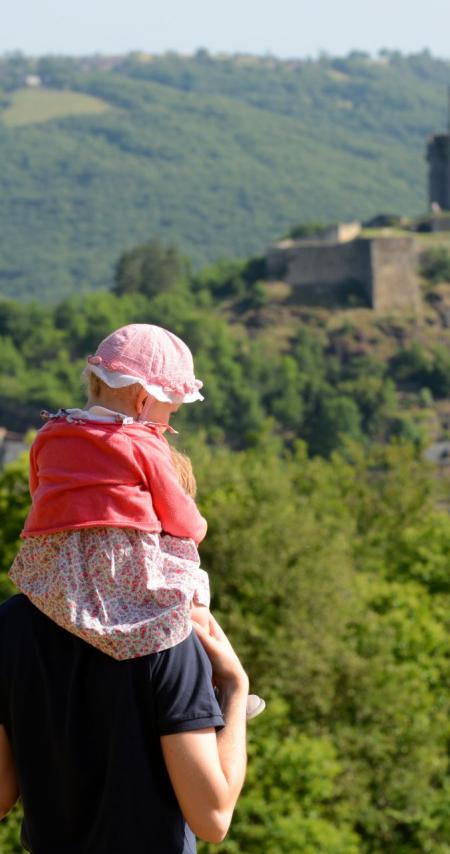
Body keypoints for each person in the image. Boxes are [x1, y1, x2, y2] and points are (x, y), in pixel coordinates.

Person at [8, 322, 264, 715]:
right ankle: (211, 687)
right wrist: (199, 528)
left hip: (53, 566)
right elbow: (177, 513)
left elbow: (39, 491)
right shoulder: (141, 443)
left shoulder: (51, 433)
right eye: (170, 411)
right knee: (187, 585)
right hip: (121, 563)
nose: (168, 424)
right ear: (144, 399)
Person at [0, 592, 249, 852]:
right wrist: (235, 686)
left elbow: (2, 795)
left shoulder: (11, 622)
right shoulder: (167, 630)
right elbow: (212, 818)